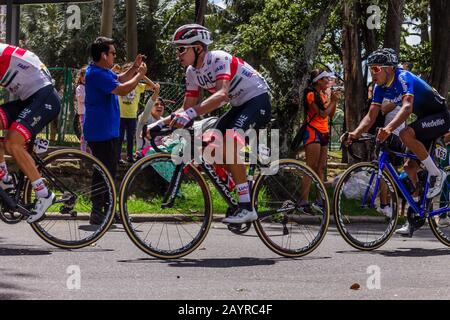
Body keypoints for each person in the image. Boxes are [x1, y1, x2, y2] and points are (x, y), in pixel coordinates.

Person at [151, 24, 271, 224]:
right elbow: (187, 107)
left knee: (231, 139)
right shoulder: (191, 72)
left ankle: (246, 206)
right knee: (209, 144)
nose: (177, 54)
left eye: (182, 49)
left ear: (198, 48)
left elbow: (222, 95)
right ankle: (240, 180)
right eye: (176, 49)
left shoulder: (218, 58)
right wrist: (158, 125)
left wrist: (191, 112)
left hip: (257, 100)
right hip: (239, 106)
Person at [345, 48, 450, 234]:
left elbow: (407, 107)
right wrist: (355, 133)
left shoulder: (403, 77)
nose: (372, 73)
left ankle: (436, 174)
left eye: (376, 69)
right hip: (425, 120)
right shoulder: (379, 88)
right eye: (370, 69)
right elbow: (371, 116)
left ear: (389, 69)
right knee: (409, 167)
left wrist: (389, 128)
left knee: (405, 134)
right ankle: (416, 216)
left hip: (439, 116)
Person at [84, 37, 147, 225]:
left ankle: (108, 209)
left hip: (108, 131)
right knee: (103, 172)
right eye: (112, 53)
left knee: (109, 172)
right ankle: (98, 211)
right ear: (103, 55)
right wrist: (139, 76)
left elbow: (120, 78)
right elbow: (122, 89)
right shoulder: (95, 74)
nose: (114, 56)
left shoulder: (102, 72)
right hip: (101, 132)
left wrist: (134, 68)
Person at [0, 43, 61, 222]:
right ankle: (4, 179)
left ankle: (44, 194)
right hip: (30, 98)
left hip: (44, 97)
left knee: (12, 142)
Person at [299, 69, 340, 211]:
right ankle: (303, 201)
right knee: (310, 166)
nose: (328, 82)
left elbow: (331, 114)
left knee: (321, 168)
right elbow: (322, 114)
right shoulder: (311, 95)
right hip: (313, 132)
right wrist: (333, 101)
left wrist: (334, 101)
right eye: (325, 79)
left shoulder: (323, 95)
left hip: (324, 133)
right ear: (318, 81)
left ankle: (319, 200)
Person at [117, 62, 155, 164]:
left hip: (132, 117)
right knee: (119, 137)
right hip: (120, 116)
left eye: (133, 73)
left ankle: (130, 157)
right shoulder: (120, 84)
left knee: (130, 138)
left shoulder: (138, 86)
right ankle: (117, 157)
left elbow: (153, 86)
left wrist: (142, 75)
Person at [136, 82, 162, 156]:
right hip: (144, 155)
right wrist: (156, 93)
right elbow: (148, 107)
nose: (160, 106)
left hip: (160, 153)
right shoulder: (144, 118)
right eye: (156, 104)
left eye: (162, 105)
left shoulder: (164, 120)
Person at [75, 66, 89, 153]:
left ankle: (91, 153)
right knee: (84, 134)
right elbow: (81, 98)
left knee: (91, 134)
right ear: (81, 77)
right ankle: (83, 152)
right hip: (83, 114)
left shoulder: (90, 87)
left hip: (91, 114)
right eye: (84, 75)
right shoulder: (80, 88)